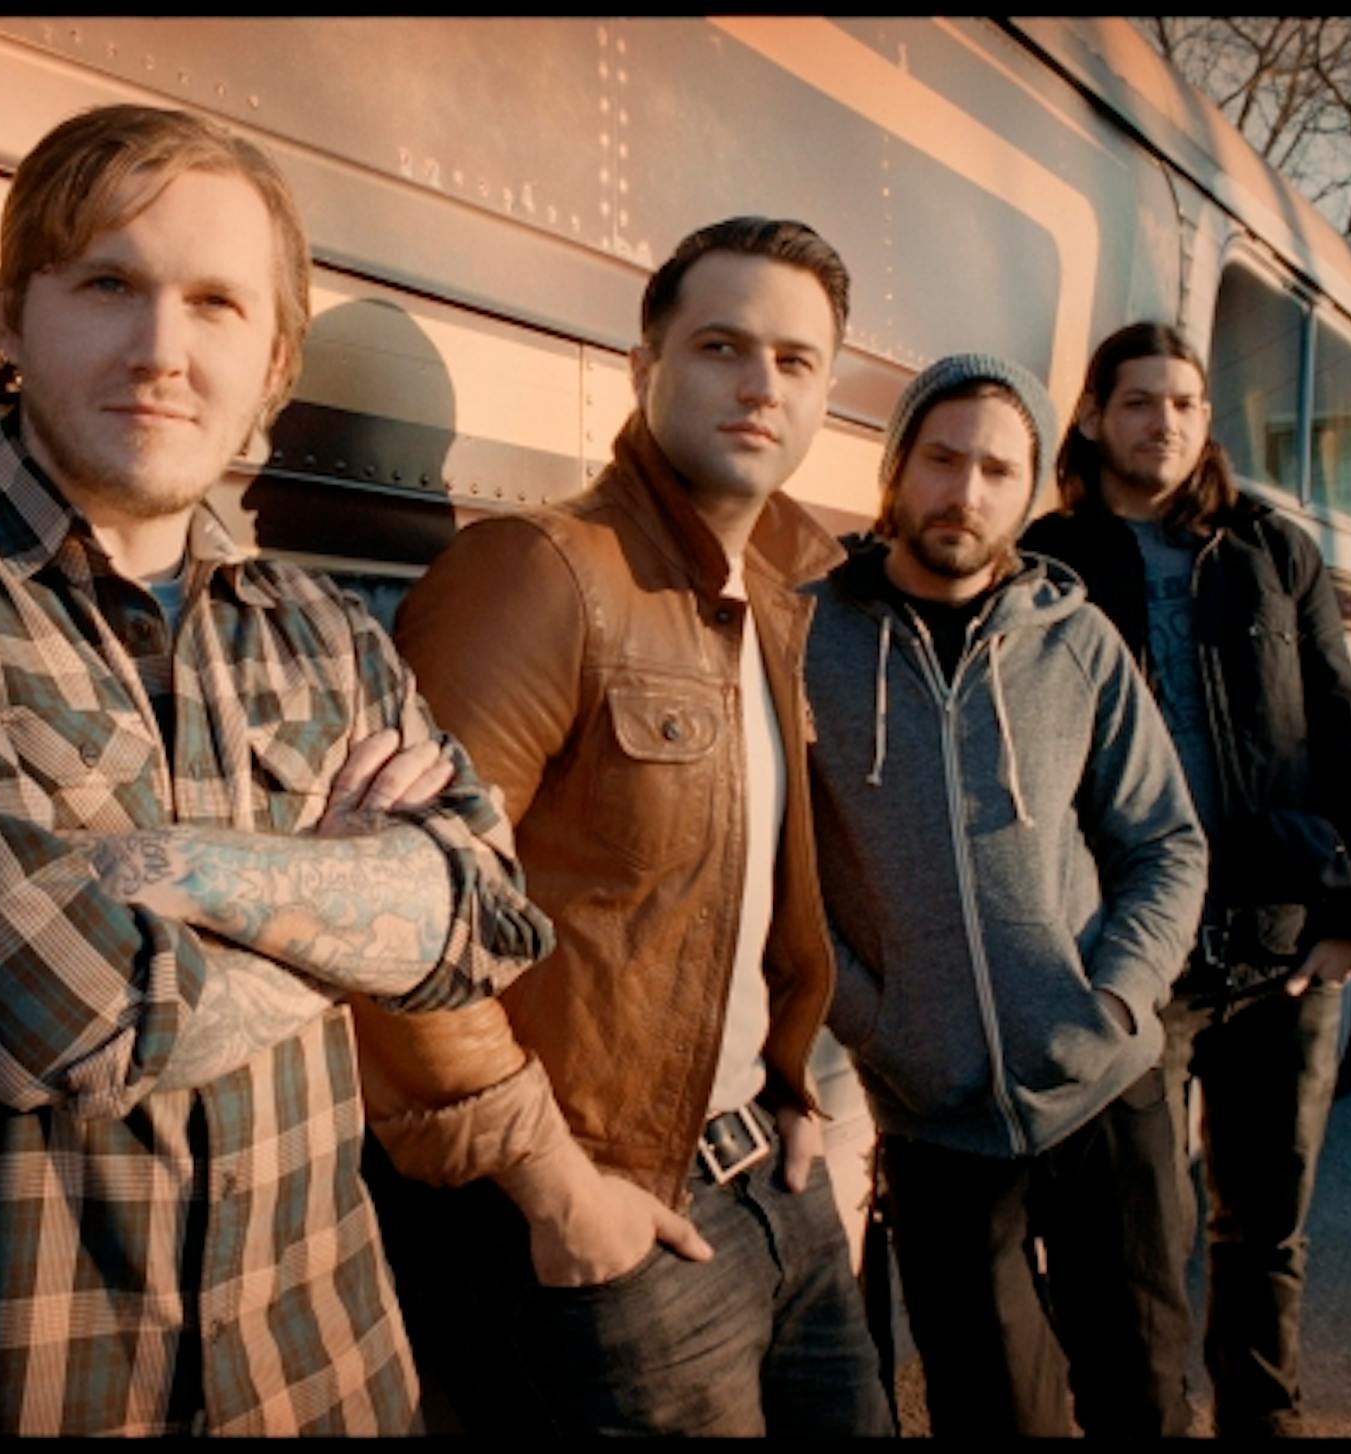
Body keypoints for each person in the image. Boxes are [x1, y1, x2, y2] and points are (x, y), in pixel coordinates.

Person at [0, 104, 553, 1436]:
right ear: (11, 320)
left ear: (275, 361)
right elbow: (52, 1011)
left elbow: (489, 916)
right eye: (109, 283)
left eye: (217, 303)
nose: (162, 350)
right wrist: (348, 901)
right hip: (33, 1396)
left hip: (331, 1377)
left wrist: (160, 874)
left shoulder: (326, 626)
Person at [348, 217, 891, 1436]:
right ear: (646, 369)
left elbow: (735, 908)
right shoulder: (541, 573)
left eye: (797, 362)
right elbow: (393, 926)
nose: (761, 385)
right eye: (722, 346)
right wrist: (557, 1190)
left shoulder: (781, 601)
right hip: (606, 1206)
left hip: (774, 1180)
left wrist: (795, 1088)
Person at [807, 352, 1208, 1436]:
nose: (966, 491)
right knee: (993, 1411)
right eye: (942, 458)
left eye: (997, 467)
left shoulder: (1076, 641)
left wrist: (1118, 996)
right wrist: (875, 1022)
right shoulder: (807, 639)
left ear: (1030, 487)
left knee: (1145, 1394)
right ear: (897, 468)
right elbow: (778, 873)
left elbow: (1166, 840)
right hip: (935, 1119)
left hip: (1103, 1087)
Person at [1021, 321, 1351, 1437]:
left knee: (1265, 1227)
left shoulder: (1272, 551)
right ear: (1093, 416)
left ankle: (1262, 1419)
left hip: (1283, 950)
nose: (1166, 422)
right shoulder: (1053, 557)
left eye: (1185, 402)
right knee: (1137, 1238)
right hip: (1135, 956)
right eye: (1140, 401)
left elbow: (1342, 735)